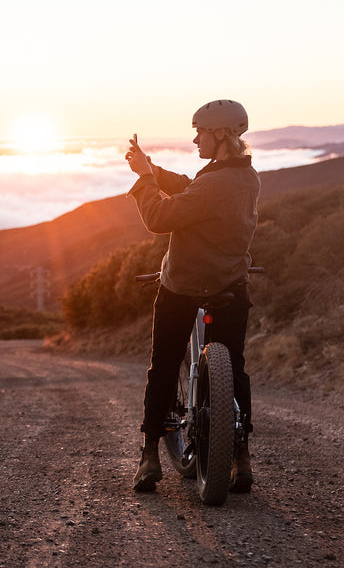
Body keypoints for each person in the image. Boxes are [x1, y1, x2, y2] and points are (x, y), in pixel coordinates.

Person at [124, 99, 260, 493]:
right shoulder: (245, 177)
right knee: (234, 367)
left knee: (164, 365)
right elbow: (197, 191)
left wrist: (145, 181)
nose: (195, 137)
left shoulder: (215, 181)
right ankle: (241, 456)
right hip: (231, 285)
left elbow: (159, 219)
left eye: (200, 130)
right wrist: (156, 171)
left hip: (182, 285)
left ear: (218, 134)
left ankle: (150, 453)